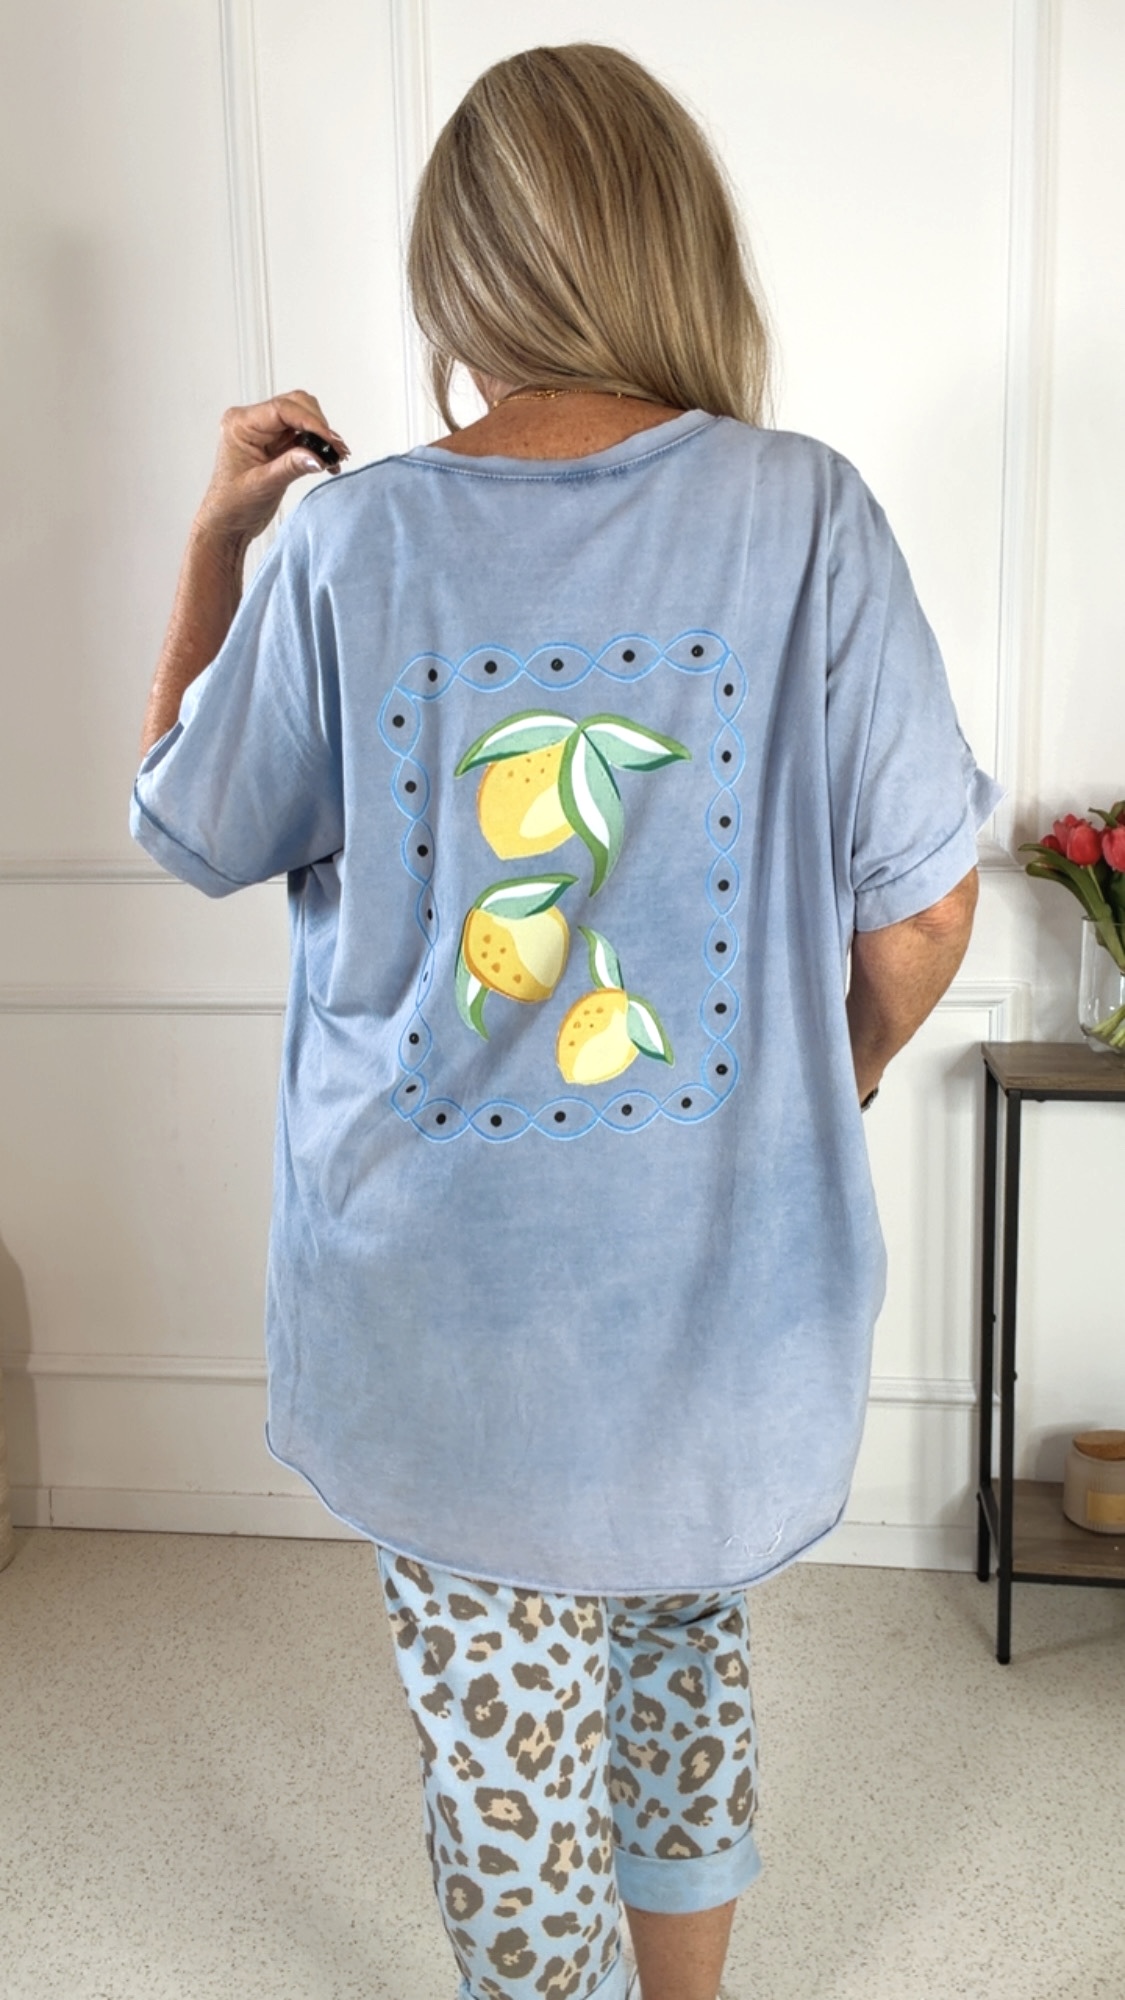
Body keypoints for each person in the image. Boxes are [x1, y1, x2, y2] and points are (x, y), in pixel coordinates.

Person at [130, 42, 1002, 2000]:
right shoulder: (805, 512)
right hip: (718, 1289)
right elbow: (929, 904)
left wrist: (216, 537)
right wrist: (833, 1076)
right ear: (673, 243)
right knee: (680, 1662)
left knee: (506, 1764)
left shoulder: (351, 540)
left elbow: (188, 818)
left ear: (464, 268)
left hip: (446, 1312)